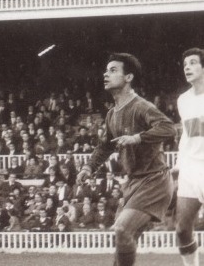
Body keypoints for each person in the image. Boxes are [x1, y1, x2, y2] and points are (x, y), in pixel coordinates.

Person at [76, 53, 176, 266]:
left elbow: (168, 128)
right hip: (133, 183)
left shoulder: (141, 106)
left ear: (129, 77)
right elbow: (105, 146)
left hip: (154, 180)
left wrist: (137, 137)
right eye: (106, 70)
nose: (106, 74)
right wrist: (88, 167)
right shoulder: (112, 113)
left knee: (121, 229)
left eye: (113, 70)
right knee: (121, 248)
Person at [175, 48, 204, 266]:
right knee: (183, 229)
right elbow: (186, 134)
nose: (187, 67)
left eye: (193, 62)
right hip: (190, 169)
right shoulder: (182, 100)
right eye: (185, 64)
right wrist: (178, 163)